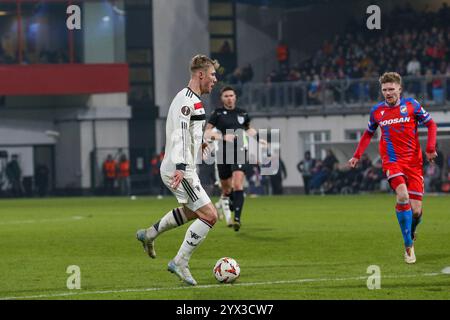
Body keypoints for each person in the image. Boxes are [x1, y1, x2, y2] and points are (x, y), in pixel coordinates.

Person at [136, 54, 219, 286]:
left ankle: (149, 234)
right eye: (212, 75)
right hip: (179, 169)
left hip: (181, 167)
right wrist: (182, 168)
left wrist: (199, 142)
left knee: (193, 212)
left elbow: (188, 132)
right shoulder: (186, 101)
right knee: (211, 215)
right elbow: (181, 134)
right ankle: (180, 262)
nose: (215, 79)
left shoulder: (192, 99)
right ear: (200, 74)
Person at [348, 72, 437, 264]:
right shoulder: (377, 111)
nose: (388, 92)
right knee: (402, 195)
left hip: (414, 163)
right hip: (392, 162)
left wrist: (430, 148)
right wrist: (356, 155)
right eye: (384, 89)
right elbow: (367, 134)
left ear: (399, 89)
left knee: (416, 212)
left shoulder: (412, 105)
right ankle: (408, 247)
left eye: (391, 89)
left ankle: (411, 231)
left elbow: (431, 124)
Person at [204, 86, 262, 231]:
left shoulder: (242, 113)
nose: (229, 98)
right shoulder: (217, 113)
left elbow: (248, 128)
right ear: (222, 99)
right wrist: (223, 137)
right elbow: (207, 133)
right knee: (227, 188)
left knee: (238, 185)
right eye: (226, 96)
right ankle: (230, 201)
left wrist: (258, 138)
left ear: (235, 97)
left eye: (231, 95)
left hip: (240, 151)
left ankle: (237, 218)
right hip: (223, 152)